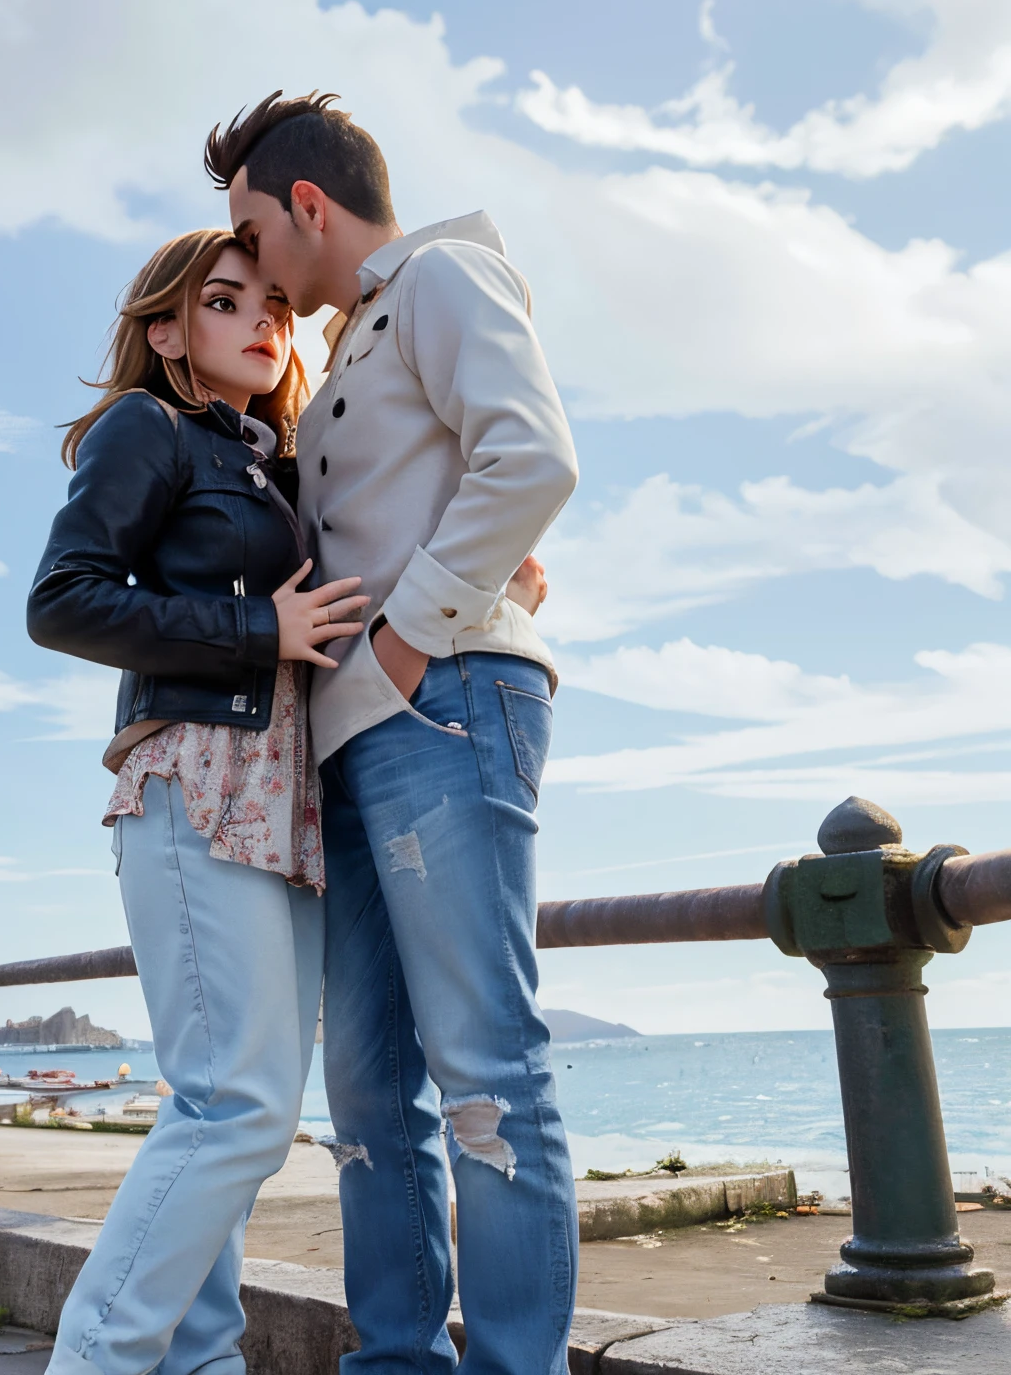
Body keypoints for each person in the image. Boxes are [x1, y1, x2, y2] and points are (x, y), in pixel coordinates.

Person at [205, 93, 581, 1374]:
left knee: (483, 1070)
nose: (250, 264)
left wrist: (416, 633)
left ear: (308, 204)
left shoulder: (444, 274)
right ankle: (396, 1363)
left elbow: (530, 457)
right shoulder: (353, 342)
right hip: (349, 738)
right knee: (366, 1091)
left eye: (252, 230)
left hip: (445, 700)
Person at [27, 228, 370, 1375]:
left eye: (274, 301)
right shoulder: (150, 427)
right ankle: (100, 1359)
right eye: (226, 302)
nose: (264, 319)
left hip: (283, 796)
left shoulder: (276, 459)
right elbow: (64, 599)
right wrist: (252, 629)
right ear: (166, 330)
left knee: (224, 1115)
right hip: (195, 774)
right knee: (239, 1107)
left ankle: (200, 1360)